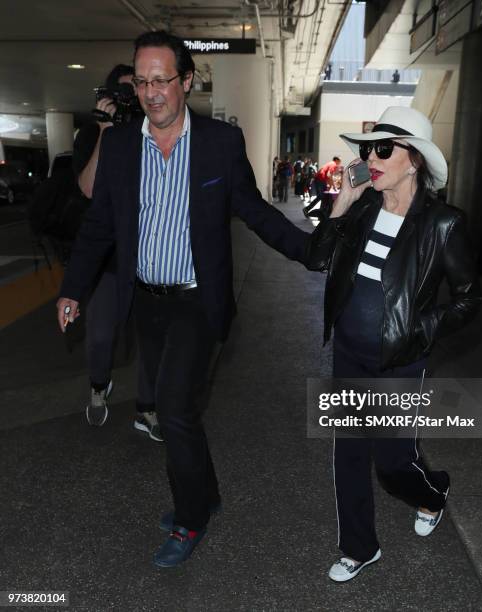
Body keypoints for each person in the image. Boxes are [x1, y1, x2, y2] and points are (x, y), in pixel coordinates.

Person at [56, 30, 308, 569]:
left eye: (161, 80)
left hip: (198, 300)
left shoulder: (219, 142)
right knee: (180, 412)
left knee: (171, 410)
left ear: (186, 81)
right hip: (146, 301)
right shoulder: (123, 146)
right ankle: (207, 495)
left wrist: (311, 252)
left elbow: (255, 210)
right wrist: (73, 288)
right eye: (141, 81)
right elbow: (100, 226)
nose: (151, 92)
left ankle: (190, 518)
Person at [306, 106, 482, 582]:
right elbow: (315, 257)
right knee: (349, 453)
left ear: (415, 160)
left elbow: (469, 299)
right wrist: (342, 199)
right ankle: (359, 547)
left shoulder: (443, 224)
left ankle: (432, 493)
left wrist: (420, 330)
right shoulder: (361, 208)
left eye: (384, 149)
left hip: (400, 359)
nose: (372, 158)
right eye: (368, 149)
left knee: (391, 460)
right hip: (349, 352)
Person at [72, 64, 161, 440]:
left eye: (135, 90)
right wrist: (107, 132)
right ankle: (98, 383)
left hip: (148, 258)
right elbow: (90, 190)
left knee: (151, 339)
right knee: (101, 338)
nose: (131, 99)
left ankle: (146, 408)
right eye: (123, 93)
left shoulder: (152, 133)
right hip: (108, 260)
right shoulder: (93, 134)